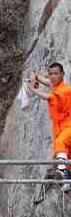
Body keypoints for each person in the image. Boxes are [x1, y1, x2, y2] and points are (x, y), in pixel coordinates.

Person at [28, 62, 71, 190]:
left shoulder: (65, 90)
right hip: (58, 126)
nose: (53, 76)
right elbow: (47, 82)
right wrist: (34, 75)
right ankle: (68, 181)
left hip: (69, 124)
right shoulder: (55, 85)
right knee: (66, 153)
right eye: (51, 74)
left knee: (60, 143)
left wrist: (34, 90)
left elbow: (48, 96)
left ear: (62, 74)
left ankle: (62, 171)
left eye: (56, 73)